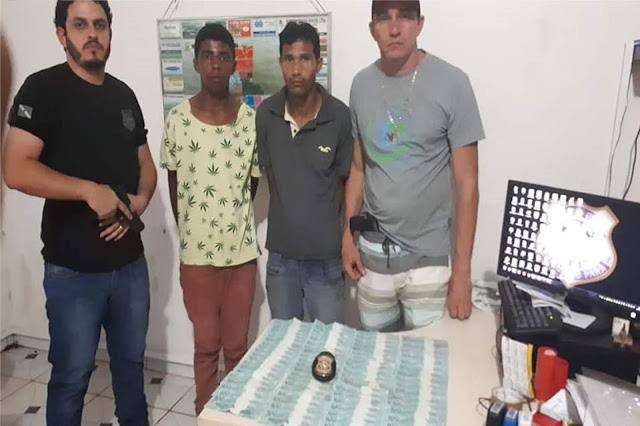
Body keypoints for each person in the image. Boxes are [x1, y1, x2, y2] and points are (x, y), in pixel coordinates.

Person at [2, 1, 157, 425]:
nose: (92, 34)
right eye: (80, 24)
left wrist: (141, 200)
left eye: (100, 25)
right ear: (61, 34)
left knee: (131, 369)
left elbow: (145, 163)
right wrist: (88, 190)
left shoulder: (123, 95)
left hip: (130, 267)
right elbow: (15, 168)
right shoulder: (42, 89)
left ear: (110, 33)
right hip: (72, 273)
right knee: (72, 378)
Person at [343, 0, 485, 331]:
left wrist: (462, 271)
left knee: (426, 356)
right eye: (384, 18)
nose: (395, 29)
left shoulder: (453, 83)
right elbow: (358, 169)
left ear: (420, 23)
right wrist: (348, 237)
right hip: (373, 255)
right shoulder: (361, 85)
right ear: (372, 29)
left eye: (405, 17)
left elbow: (467, 184)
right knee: (379, 354)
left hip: (429, 259)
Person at [159, 23, 261, 415]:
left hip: (241, 257)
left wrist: (229, 219)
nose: (216, 64)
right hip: (197, 258)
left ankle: (232, 416)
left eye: (223, 56)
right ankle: (205, 416)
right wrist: (194, 231)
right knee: (205, 348)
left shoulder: (250, 120)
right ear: (196, 62)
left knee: (236, 348)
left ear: (234, 64)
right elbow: (175, 183)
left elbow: (250, 184)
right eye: (208, 56)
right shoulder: (177, 120)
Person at [256, 22, 353, 324]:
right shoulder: (266, 115)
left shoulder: (339, 116)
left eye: (305, 59)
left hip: (326, 261)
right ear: (280, 62)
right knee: (284, 346)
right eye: (289, 59)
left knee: (328, 347)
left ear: (318, 63)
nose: (296, 70)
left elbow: (342, 185)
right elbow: (273, 179)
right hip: (281, 261)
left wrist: (318, 227)